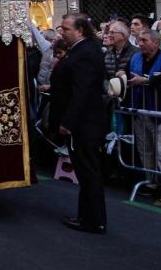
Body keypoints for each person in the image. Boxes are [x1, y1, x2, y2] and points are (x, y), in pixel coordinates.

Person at [52, 13, 108, 234]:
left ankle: (93, 220)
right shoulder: (81, 51)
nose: (62, 32)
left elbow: (81, 92)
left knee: (88, 172)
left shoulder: (85, 53)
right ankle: (88, 216)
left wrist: (68, 121)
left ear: (80, 30)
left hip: (84, 124)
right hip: (83, 122)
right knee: (85, 172)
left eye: (66, 29)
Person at [124, 30, 161, 203]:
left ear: (156, 43)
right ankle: (151, 181)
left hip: (159, 111)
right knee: (144, 148)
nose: (140, 43)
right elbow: (126, 73)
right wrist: (121, 75)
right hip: (139, 110)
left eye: (144, 40)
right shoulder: (135, 58)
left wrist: (146, 81)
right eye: (139, 40)